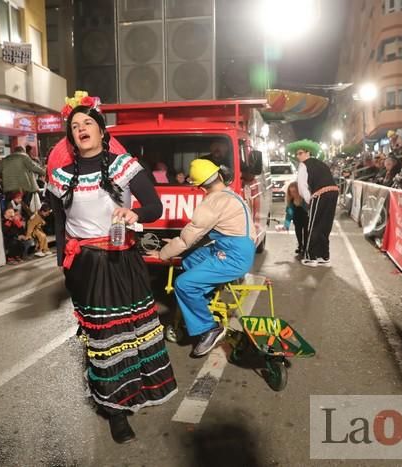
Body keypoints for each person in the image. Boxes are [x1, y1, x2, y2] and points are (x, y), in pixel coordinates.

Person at [47, 100, 176, 444]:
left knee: (134, 330)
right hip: (86, 264)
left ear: (102, 131)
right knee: (103, 337)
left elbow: (153, 206)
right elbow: (60, 223)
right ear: (70, 137)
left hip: (124, 259)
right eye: (74, 126)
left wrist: (135, 215)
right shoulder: (61, 178)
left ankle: (138, 389)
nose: (81, 129)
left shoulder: (125, 167)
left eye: (87, 123)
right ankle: (114, 408)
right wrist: (64, 264)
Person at [150, 159, 256, 357]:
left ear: (198, 185)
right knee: (189, 259)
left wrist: (162, 254)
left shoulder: (212, 202)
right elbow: (202, 235)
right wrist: (179, 244)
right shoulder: (231, 195)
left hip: (233, 256)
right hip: (235, 249)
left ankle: (210, 328)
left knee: (183, 284)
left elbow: (186, 239)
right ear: (218, 175)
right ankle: (199, 300)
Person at [290, 139, 339, 266]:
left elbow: (302, 186)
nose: (298, 156)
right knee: (325, 225)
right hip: (333, 192)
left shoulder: (303, 165)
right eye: (297, 154)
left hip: (320, 193)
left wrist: (310, 200)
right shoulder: (322, 163)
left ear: (308, 153)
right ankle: (324, 256)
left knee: (314, 225)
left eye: (300, 153)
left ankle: (311, 257)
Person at [277, 181, 309, 256]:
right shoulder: (291, 201)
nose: (292, 194)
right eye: (290, 192)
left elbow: (309, 209)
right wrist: (286, 225)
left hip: (306, 219)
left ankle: (305, 247)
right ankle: (300, 246)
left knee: (306, 233)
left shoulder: (304, 199)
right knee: (298, 233)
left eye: (294, 191)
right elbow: (289, 214)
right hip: (297, 220)